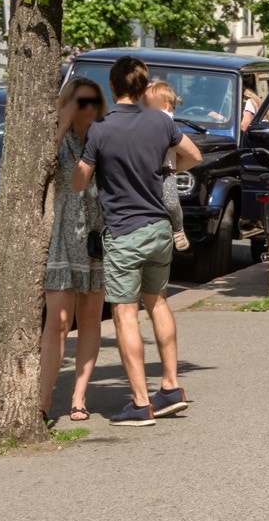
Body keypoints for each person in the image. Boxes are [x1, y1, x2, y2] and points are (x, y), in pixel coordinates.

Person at [73, 56, 202, 427]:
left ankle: (141, 403)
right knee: (158, 301)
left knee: (125, 313)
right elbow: (194, 156)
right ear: (144, 88)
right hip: (160, 228)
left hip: (124, 231)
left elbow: (80, 181)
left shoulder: (101, 128)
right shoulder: (161, 121)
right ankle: (171, 387)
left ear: (112, 87)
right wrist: (164, 170)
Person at [39, 78, 108, 422]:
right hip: (61, 238)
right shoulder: (56, 138)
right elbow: (40, 168)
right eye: (81, 101)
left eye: (94, 101)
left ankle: (79, 397)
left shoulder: (104, 137)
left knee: (91, 320)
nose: (88, 107)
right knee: (58, 322)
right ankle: (42, 399)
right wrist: (62, 122)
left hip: (96, 236)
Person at [144, 80, 191, 252]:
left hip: (165, 170)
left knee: (171, 203)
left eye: (148, 103)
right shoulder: (149, 119)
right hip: (147, 169)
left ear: (164, 106)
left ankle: (178, 229)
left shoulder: (167, 122)